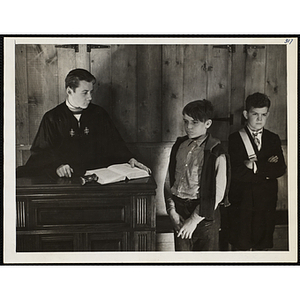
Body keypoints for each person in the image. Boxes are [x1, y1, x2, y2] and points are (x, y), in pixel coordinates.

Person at [17, 68, 150, 178]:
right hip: (66, 181)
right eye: (85, 93)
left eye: (91, 92)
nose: (90, 97)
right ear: (69, 91)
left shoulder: (99, 114)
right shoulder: (52, 117)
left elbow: (115, 143)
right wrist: (57, 166)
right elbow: (41, 153)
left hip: (98, 179)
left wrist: (129, 158)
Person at [164, 100, 230, 251]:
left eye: (194, 122)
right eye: (185, 121)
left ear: (208, 124)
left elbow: (217, 194)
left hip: (204, 217)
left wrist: (193, 221)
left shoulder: (216, 152)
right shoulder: (179, 146)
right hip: (179, 213)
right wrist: (172, 211)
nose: (188, 127)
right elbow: (169, 182)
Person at [227, 92, 286, 251]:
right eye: (255, 114)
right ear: (246, 114)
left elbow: (280, 168)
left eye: (263, 115)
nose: (260, 119)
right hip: (243, 202)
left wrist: (254, 166)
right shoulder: (235, 139)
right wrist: (267, 170)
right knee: (241, 245)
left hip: (266, 203)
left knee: (263, 246)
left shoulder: (273, 138)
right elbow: (237, 172)